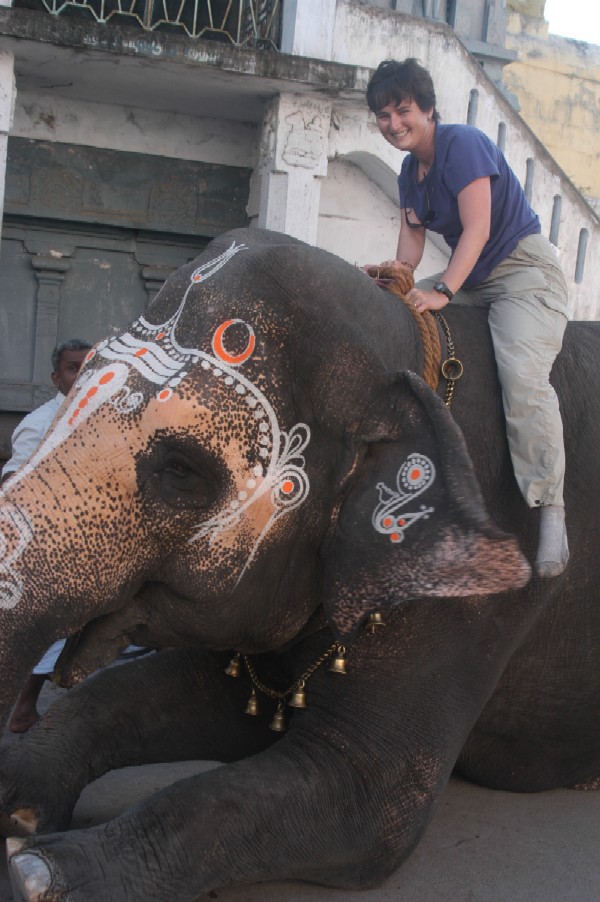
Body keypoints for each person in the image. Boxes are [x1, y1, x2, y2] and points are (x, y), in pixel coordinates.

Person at [365, 58, 569, 579]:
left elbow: (476, 230)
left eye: (403, 110)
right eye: (383, 115)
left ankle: (551, 513)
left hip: (524, 274)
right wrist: (397, 280)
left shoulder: (464, 145)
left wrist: (444, 291)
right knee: (395, 314)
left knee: (523, 379)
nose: (394, 124)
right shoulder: (411, 172)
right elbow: (411, 244)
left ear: (428, 109)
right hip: (474, 280)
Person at [2, 338, 92, 731]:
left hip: (87, 538)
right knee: (45, 628)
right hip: (44, 542)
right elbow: (12, 481)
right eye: (74, 368)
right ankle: (22, 708)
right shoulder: (39, 423)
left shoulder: (99, 418)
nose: (82, 376)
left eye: (90, 367)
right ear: (57, 378)